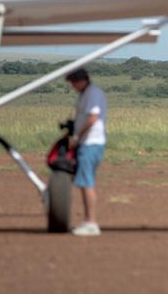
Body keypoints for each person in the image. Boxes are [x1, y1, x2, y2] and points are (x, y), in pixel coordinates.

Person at [65, 68, 107, 237]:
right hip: (89, 143)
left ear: (81, 80)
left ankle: (91, 222)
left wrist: (76, 137)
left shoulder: (92, 94)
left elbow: (92, 118)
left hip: (90, 143)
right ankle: (89, 221)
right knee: (85, 182)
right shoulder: (87, 93)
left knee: (86, 182)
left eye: (74, 83)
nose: (73, 86)